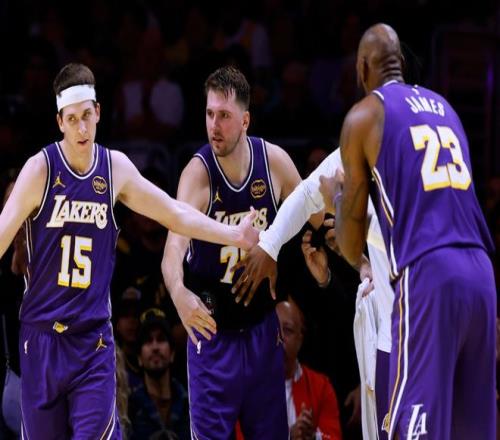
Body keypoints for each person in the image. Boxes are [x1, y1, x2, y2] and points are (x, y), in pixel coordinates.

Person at [0, 62, 258, 439]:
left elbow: (173, 212)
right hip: (42, 339)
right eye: (72, 119)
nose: (81, 128)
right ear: (59, 122)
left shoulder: (114, 168)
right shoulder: (40, 169)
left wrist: (233, 234)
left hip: (92, 342)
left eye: (86, 116)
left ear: (98, 111)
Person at [320, 23, 496, 439]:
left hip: (430, 275)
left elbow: (350, 247)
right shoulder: (446, 108)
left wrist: (337, 200)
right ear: (399, 61)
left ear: (362, 68)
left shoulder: (364, 116)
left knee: (411, 427)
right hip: (482, 276)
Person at [162, 66, 315, 439]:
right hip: (213, 334)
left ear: (245, 120)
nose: (214, 125)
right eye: (209, 113)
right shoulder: (198, 175)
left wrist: (359, 259)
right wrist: (178, 293)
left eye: (224, 116)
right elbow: (172, 251)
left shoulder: (273, 162)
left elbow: (317, 216)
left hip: (262, 331)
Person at [232, 146, 393, 439]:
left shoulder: (346, 220)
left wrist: (331, 275)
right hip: (274, 358)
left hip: (346, 358)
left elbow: (354, 298)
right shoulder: (292, 220)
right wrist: (268, 245)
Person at [277, 300, 343, 440]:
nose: (280, 338)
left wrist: (313, 437)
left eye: (287, 330)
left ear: (300, 339)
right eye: (274, 330)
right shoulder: (250, 386)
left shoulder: (321, 387)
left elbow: (334, 436)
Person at [128, 308, 189, 440]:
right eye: (148, 341)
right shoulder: (129, 408)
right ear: (139, 357)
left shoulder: (190, 405)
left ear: (172, 353)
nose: (155, 347)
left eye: (161, 339)